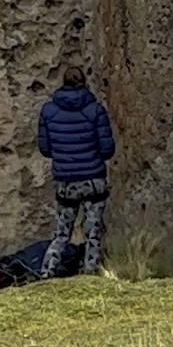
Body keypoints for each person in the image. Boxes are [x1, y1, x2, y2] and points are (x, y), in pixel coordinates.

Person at [37, 62, 116, 275]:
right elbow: (107, 149)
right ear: (84, 83)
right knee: (92, 233)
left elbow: (45, 148)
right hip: (93, 181)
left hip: (66, 182)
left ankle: (47, 272)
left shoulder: (48, 111)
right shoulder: (95, 110)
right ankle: (90, 273)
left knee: (62, 233)